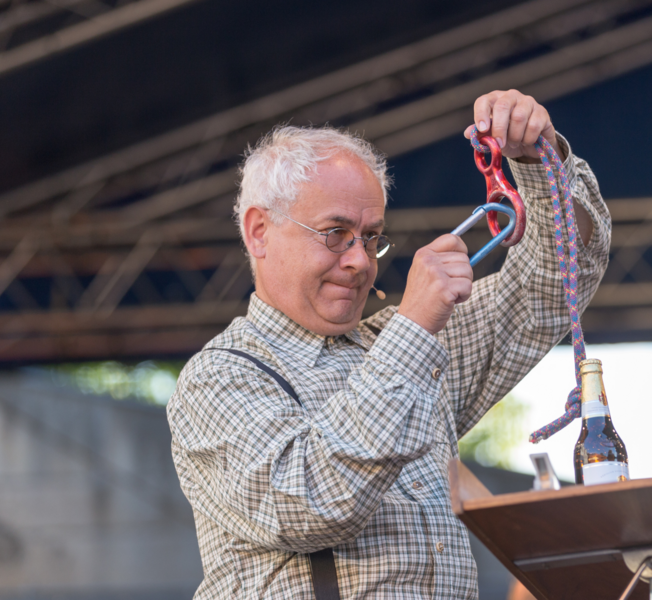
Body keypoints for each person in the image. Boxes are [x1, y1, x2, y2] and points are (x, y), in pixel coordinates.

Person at [167, 89, 611, 599]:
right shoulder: (217, 378)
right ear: (259, 232)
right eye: (336, 233)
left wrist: (538, 158)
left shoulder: (402, 341)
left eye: (371, 236)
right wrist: (414, 329)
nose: (360, 260)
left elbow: (554, 286)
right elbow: (310, 502)